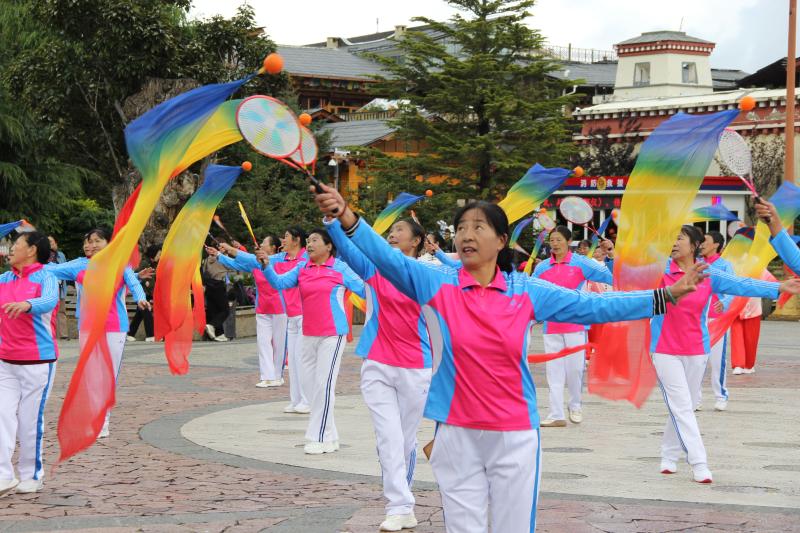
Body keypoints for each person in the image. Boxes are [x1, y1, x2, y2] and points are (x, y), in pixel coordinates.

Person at [313, 182, 704, 533]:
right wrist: (344, 215)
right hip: (455, 432)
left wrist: (664, 296)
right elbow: (386, 257)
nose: (467, 235)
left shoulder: (526, 290)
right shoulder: (435, 283)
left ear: (501, 240)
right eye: (461, 228)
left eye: (478, 227)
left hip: (514, 434)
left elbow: (596, 307)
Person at [650, 225, 799, 484]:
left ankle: (668, 455)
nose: (673, 243)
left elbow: (741, 284)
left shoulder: (708, 274)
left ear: (695, 245)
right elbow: (624, 275)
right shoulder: (659, 272)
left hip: (697, 348)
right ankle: (699, 463)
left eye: (679, 238)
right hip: (664, 349)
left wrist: (778, 287)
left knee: (684, 405)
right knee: (682, 406)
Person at [326, 216, 436, 531]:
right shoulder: (374, 269)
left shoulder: (426, 273)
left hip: (416, 365)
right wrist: (332, 220)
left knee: (405, 440)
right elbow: (348, 249)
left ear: (416, 240)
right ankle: (399, 506)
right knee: (388, 437)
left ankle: (403, 501)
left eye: (399, 230)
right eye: (390, 231)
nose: (392, 234)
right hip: (377, 363)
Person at [258, 229, 365, 455]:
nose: (309, 244)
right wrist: (266, 265)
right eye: (308, 241)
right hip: (308, 333)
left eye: (315, 240)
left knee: (324, 386)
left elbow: (365, 290)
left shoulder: (340, 268)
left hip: (332, 334)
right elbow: (279, 283)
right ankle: (331, 436)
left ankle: (318, 437)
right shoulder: (302, 268)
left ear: (329, 246)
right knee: (309, 387)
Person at [45, 228, 149, 438]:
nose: (90, 245)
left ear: (108, 243)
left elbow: (133, 283)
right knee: (91, 374)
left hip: (113, 327)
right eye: (87, 241)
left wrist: (141, 298)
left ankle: (103, 422)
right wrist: (28, 262)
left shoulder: (120, 264)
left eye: (96, 241)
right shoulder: (79, 265)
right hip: (88, 327)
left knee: (108, 375)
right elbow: (50, 269)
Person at [533, 226, 613, 427]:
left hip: (575, 324)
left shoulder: (580, 263)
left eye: (559, 240)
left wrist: (611, 254)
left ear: (569, 242)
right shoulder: (542, 268)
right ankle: (556, 414)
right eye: (552, 240)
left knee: (575, 370)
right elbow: (531, 292)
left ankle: (575, 405)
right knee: (554, 372)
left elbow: (610, 276)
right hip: (551, 326)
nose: (555, 243)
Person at [0, 231, 58, 496]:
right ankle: (4, 476)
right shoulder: (5, 279)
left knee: (29, 420)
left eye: (16, 244)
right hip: (5, 360)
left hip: (37, 360)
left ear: (32, 249)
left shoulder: (46, 276)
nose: (11, 249)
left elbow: (49, 300)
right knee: (2, 416)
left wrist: (27, 304)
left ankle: (31, 475)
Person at [208, 235, 288, 388]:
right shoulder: (255, 263)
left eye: (264, 243)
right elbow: (236, 263)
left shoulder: (280, 260)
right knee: (263, 342)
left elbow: (247, 257)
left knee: (279, 344)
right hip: (262, 307)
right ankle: (267, 377)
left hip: (280, 307)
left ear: (273, 248)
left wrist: (231, 249)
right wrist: (218, 255)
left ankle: (278, 376)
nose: (261, 245)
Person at [275, 227, 311, 414]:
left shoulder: (306, 259)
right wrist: (228, 253)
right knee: (294, 361)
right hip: (291, 316)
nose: (283, 240)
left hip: (305, 315)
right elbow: (252, 261)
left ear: (297, 240)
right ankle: (296, 399)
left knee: (302, 359)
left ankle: (307, 400)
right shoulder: (282, 258)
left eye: (286, 236)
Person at [699, 231, 734, 411]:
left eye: (705, 240)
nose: (701, 243)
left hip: (716, 319)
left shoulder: (725, 266)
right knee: (696, 360)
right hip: (696, 319)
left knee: (717, 360)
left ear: (716, 244)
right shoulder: (696, 264)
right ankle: (694, 398)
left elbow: (734, 288)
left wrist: (725, 302)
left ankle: (721, 395)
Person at [127, 244, 159, 342]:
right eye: (159, 254)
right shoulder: (145, 263)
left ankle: (130, 333)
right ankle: (150, 335)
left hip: (148, 294)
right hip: (142, 294)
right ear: (153, 254)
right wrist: (145, 282)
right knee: (147, 314)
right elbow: (136, 276)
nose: (159, 256)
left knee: (139, 315)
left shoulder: (153, 264)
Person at [202, 246, 231, 342]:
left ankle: (220, 334)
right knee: (225, 310)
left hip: (209, 285)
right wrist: (224, 254)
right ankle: (212, 325)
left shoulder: (207, 259)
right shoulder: (221, 258)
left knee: (215, 311)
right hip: (219, 284)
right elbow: (230, 265)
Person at [47, 236, 69, 340]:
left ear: (56, 243)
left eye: (51, 241)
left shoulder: (60, 255)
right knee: (48, 311)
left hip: (60, 287)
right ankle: (50, 333)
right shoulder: (42, 254)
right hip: (47, 287)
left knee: (61, 311)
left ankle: (63, 334)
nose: (49, 244)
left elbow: (65, 268)